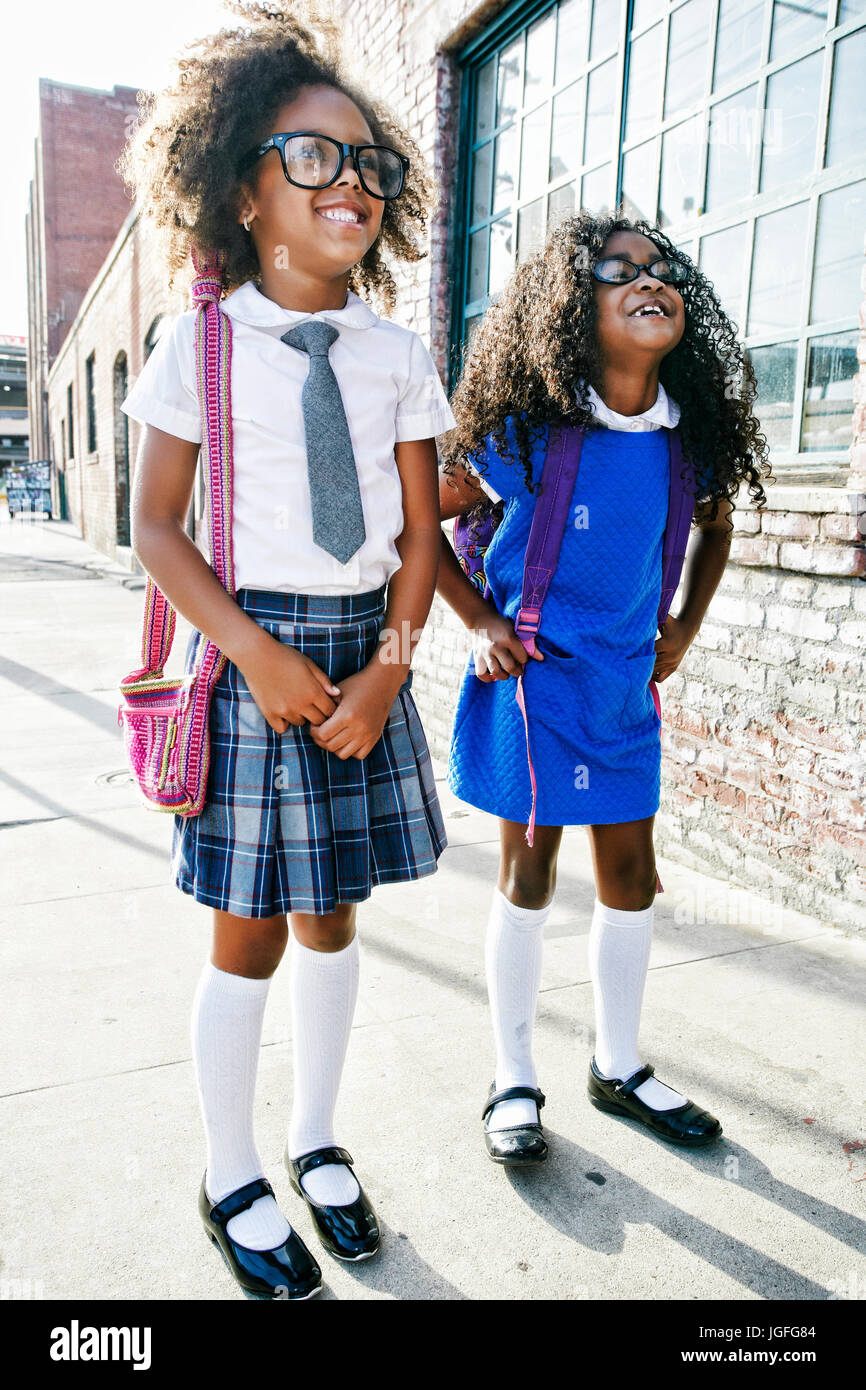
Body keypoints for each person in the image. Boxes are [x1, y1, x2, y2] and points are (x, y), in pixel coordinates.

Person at [118, 3, 455, 1299]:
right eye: (312, 156)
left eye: (368, 161)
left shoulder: (392, 353)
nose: (350, 182)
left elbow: (420, 534)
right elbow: (154, 524)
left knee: (331, 917)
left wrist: (390, 665)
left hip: (365, 650)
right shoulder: (196, 346)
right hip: (251, 649)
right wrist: (254, 654)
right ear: (240, 187)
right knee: (247, 932)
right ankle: (230, 1165)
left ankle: (317, 1143)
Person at [437, 212, 771, 1165]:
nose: (645, 280)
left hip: (625, 691)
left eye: (659, 270)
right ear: (570, 309)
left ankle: (616, 1066)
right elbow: (411, 517)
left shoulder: (683, 440)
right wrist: (478, 620)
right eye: (616, 269)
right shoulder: (530, 433)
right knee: (529, 874)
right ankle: (512, 1075)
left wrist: (685, 627)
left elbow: (714, 526)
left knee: (631, 877)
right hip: (534, 686)